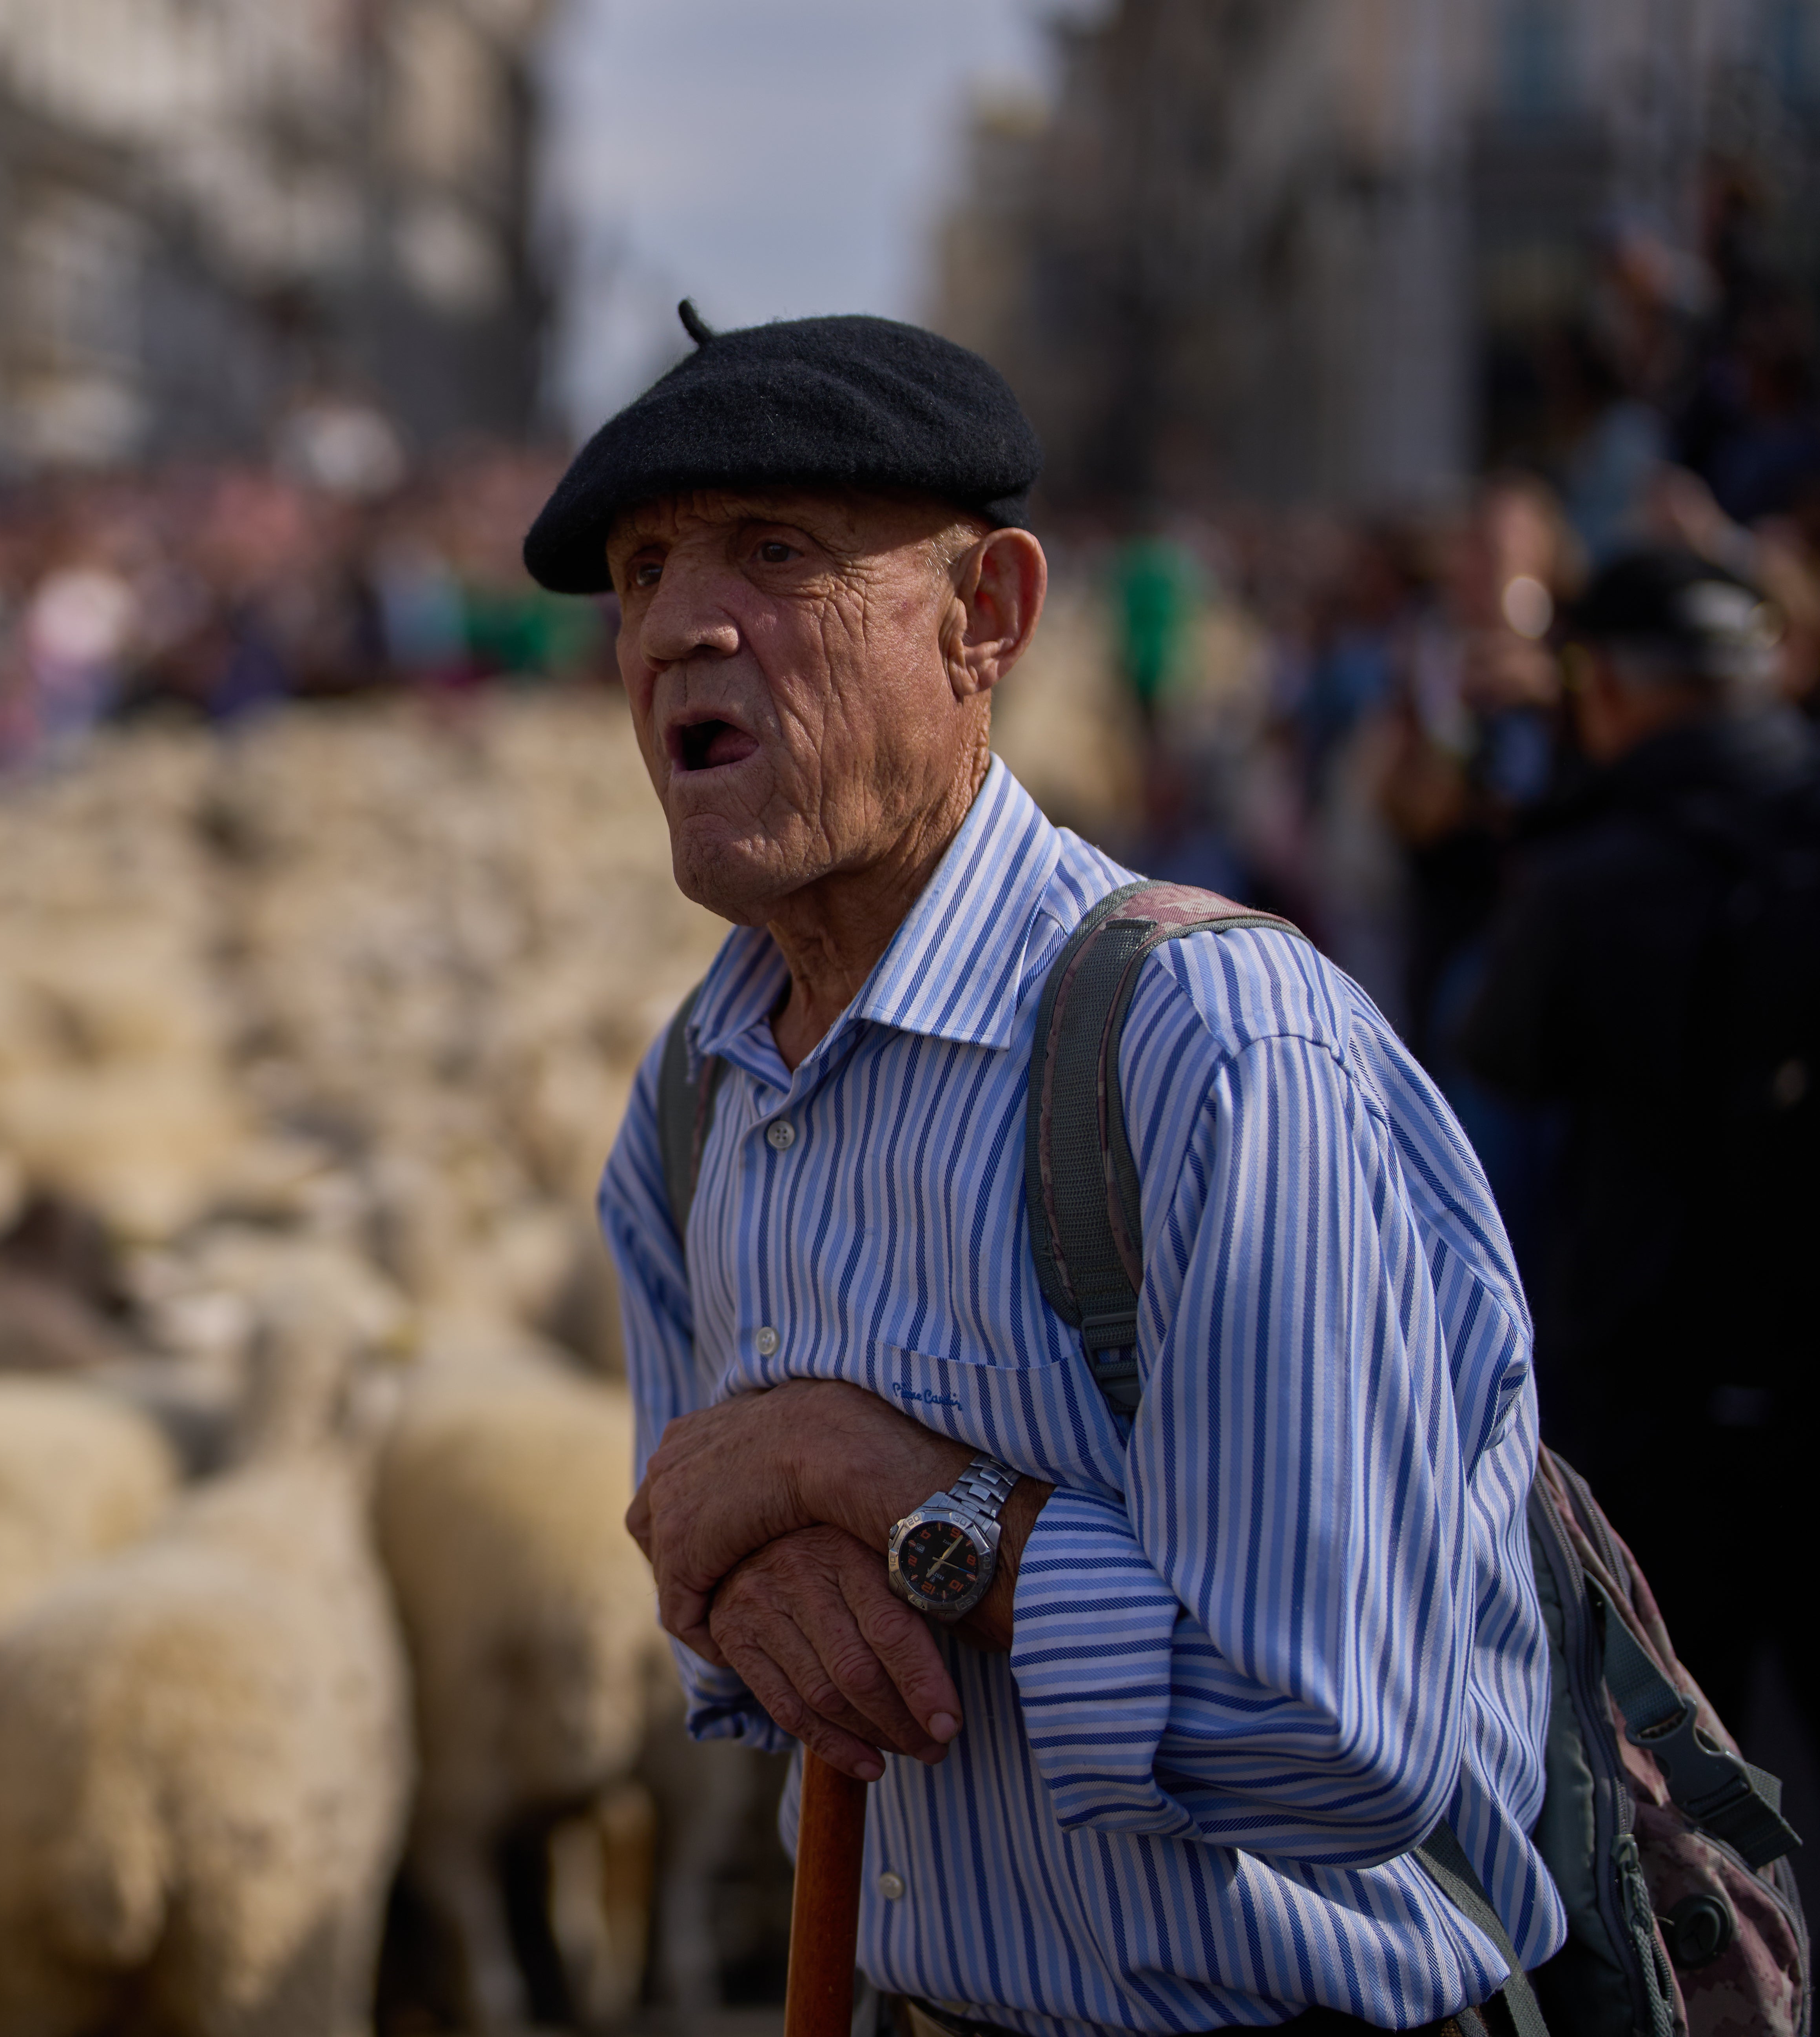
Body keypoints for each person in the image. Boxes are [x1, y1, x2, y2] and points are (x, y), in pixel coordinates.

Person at [530, 308, 1559, 2036]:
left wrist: (871, 1479)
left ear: (983, 616)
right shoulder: (695, 1099)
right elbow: (716, 1625)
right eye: (640, 573)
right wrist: (749, 1571)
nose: (679, 627)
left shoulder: (1210, 1051)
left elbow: (1341, 1737)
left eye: (772, 554)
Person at [1457, 546, 1816, 1741]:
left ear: (1599, 686)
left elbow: (1495, 1075)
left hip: (1641, 1384)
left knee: (1665, 1789)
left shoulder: (1586, 875)